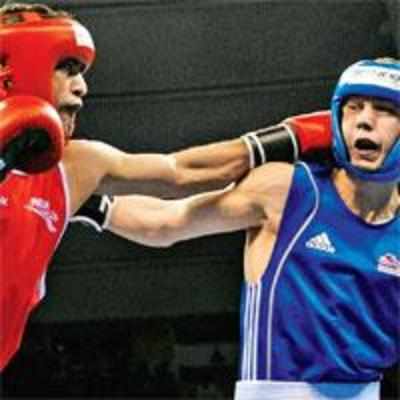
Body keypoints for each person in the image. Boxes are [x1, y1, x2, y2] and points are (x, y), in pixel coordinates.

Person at [0, 3, 332, 371]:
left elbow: (176, 184)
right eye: (67, 68)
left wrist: (293, 137)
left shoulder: (75, 168)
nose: (82, 87)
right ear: (13, 66)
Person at [100, 57, 400, 400]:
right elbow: (166, 222)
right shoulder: (288, 191)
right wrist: (86, 203)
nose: (364, 121)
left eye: (384, 110)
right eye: (353, 107)